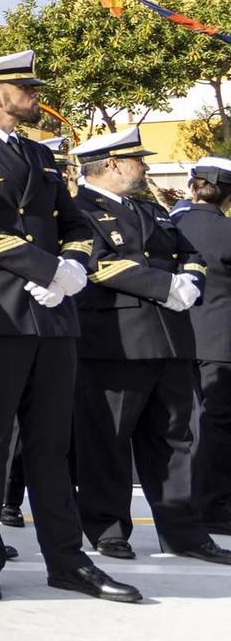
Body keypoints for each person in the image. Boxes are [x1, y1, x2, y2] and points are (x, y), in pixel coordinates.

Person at [0, 49, 139, 603]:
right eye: (25, 87)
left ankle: (66, 560)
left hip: (54, 317)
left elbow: (77, 224)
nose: (35, 95)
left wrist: (71, 268)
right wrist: (44, 268)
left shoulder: (39, 156)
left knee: (50, 445)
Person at [69, 128, 228, 564]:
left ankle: (184, 533)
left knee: (175, 438)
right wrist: (164, 283)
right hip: (115, 342)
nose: (146, 167)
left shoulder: (151, 211)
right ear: (114, 164)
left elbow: (189, 252)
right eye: (138, 160)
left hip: (171, 339)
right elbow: (98, 265)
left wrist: (189, 281)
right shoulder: (78, 209)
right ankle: (108, 530)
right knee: (108, 439)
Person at [181, 157, 231, 533]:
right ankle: (210, 506)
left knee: (181, 426)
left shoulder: (170, 224)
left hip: (177, 338)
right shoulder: (226, 231)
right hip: (221, 342)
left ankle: (184, 503)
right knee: (217, 426)